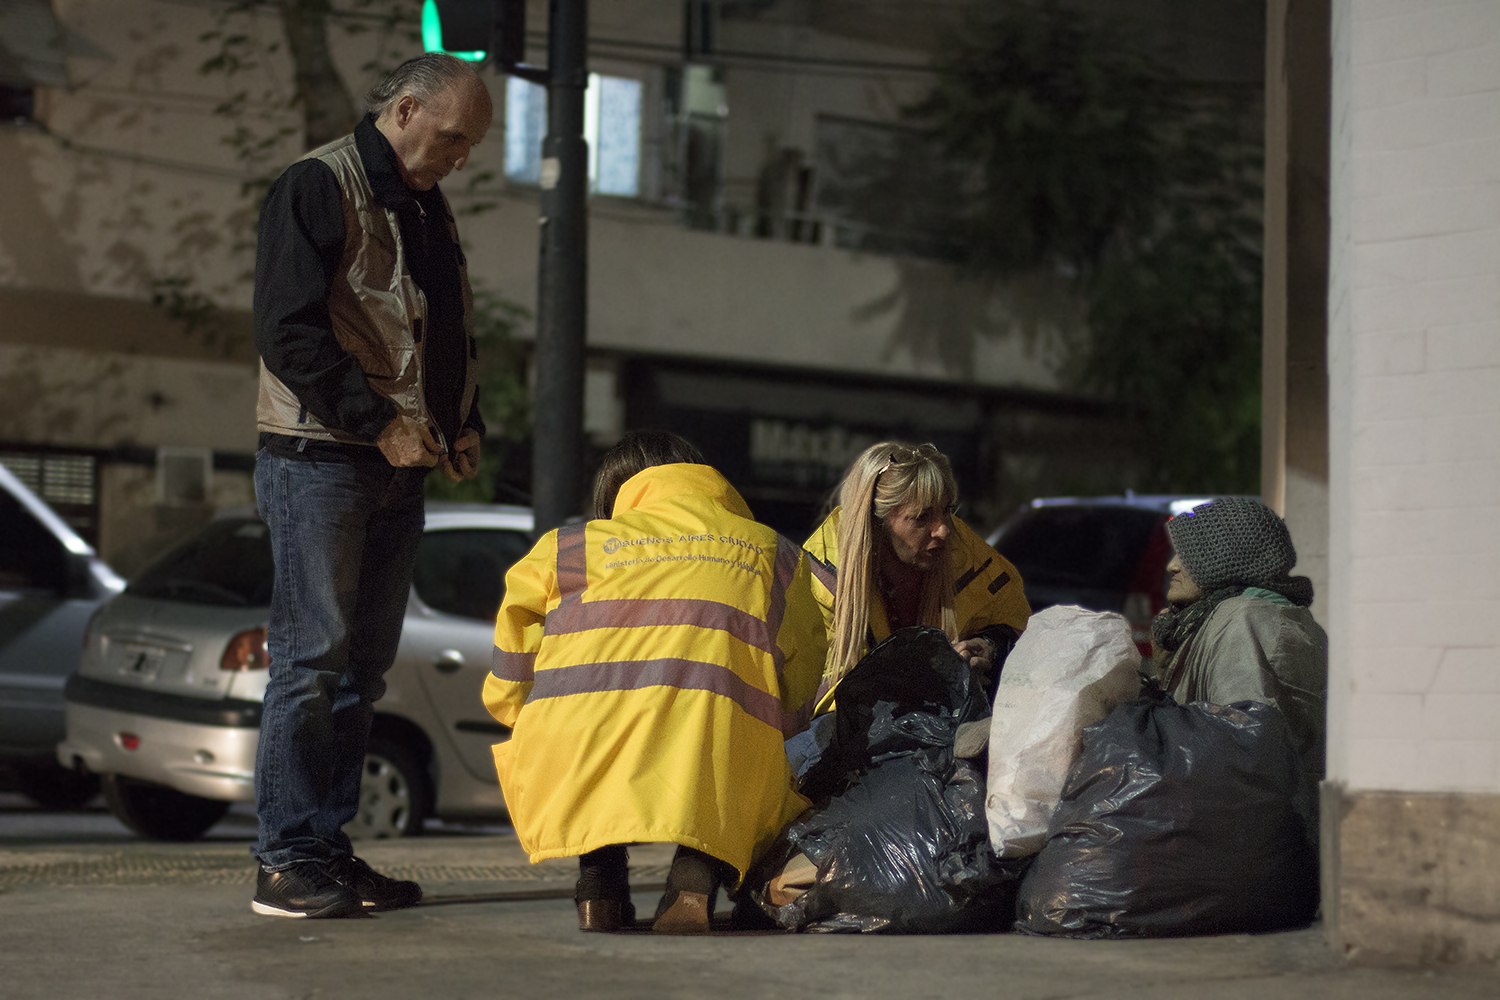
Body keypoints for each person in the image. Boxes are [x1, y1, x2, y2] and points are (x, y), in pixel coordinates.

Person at [249, 53, 493, 919]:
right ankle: (285, 859)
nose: (462, 155)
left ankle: (325, 848)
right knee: (312, 661)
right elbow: (287, 329)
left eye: (472, 144)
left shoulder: (424, 201)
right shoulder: (318, 184)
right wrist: (377, 421)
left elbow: (444, 325)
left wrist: (462, 423)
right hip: (321, 459)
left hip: (395, 465)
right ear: (404, 110)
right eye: (455, 136)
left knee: (360, 671)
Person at [483, 430, 828, 934]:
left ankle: (598, 887)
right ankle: (692, 883)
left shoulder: (567, 548)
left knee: (592, 738)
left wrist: (518, 716)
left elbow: (512, 658)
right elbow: (805, 669)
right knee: (732, 743)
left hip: (575, 746)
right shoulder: (775, 555)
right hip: (710, 746)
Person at [804, 441, 1031, 712]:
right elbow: (820, 699)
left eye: (947, 510)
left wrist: (990, 647)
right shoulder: (823, 578)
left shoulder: (967, 555)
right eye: (922, 517)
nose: (944, 530)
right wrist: (930, 678)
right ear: (877, 523)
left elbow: (1019, 626)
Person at [1150, 496, 1328, 814]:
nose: (1172, 565)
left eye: (1188, 554)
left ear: (1225, 558)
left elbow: (1242, 749)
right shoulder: (1244, 615)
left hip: (1242, 835)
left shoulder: (1245, 619)